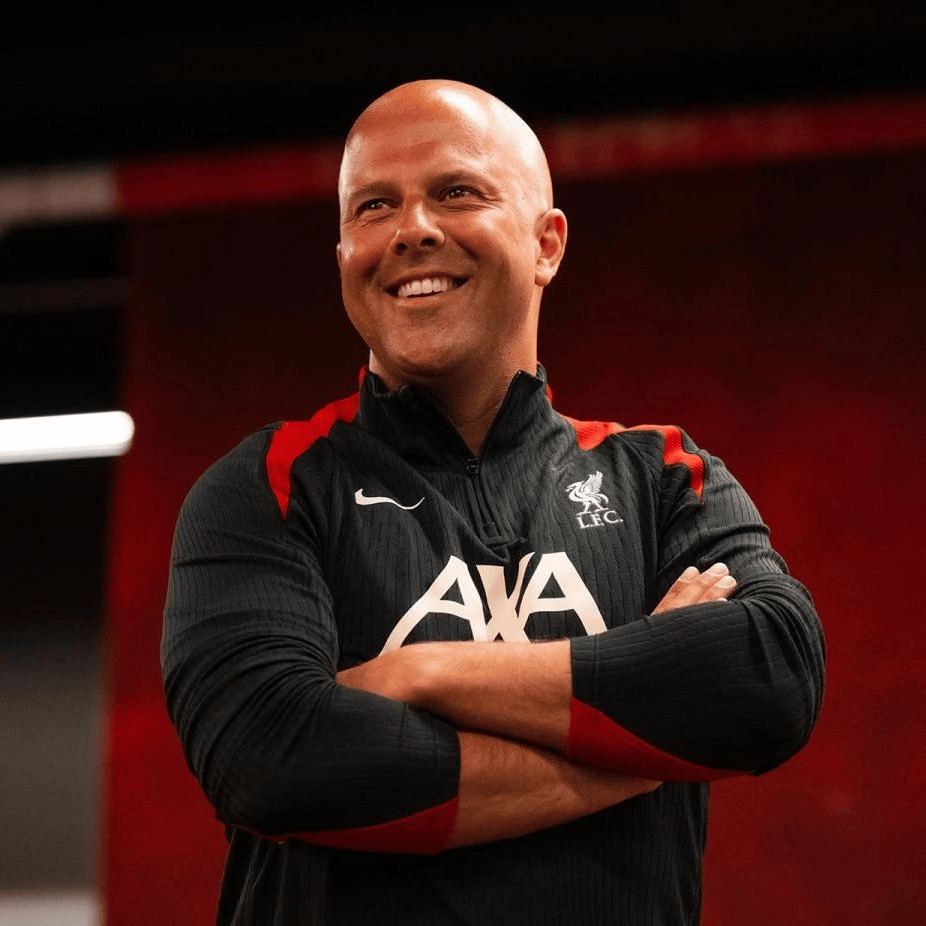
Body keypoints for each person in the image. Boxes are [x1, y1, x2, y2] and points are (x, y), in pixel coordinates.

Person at [162, 79, 825, 925]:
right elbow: (273, 757)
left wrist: (420, 673)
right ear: (344, 256)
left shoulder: (663, 476)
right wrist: (648, 747)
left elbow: (772, 679)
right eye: (373, 206)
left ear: (547, 245)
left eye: (456, 192)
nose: (411, 230)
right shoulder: (265, 485)